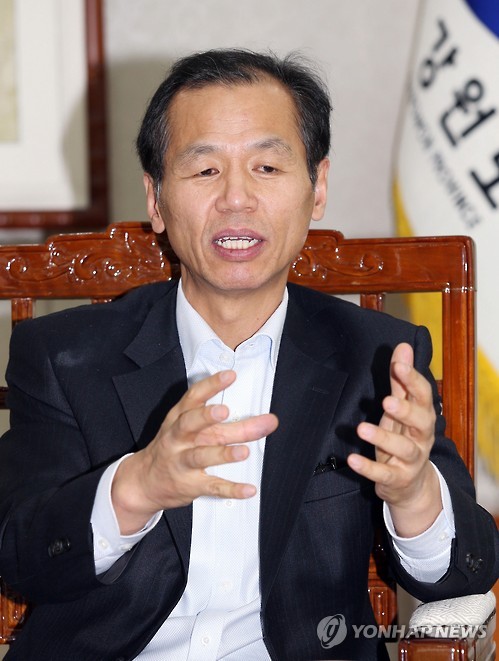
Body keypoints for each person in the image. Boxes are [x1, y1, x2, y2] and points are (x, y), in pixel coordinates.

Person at [0, 49, 497, 661]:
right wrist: (136, 487)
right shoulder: (64, 357)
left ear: (317, 188)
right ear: (155, 199)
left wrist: (415, 494)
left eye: (266, 166)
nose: (236, 198)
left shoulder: (378, 359)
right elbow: (21, 559)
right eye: (205, 169)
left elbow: (465, 574)